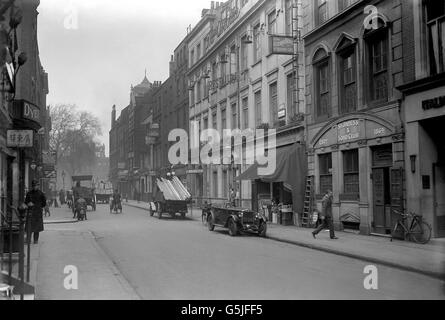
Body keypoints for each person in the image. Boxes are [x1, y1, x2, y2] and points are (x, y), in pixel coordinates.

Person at [25, 180, 47, 244]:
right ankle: (28, 240)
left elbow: (44, 203)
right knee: (29, 227)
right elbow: (26, 202)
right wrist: (28, 204)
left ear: (38, 186)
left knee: (37, 228)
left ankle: (35, 240)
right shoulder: (29, 193)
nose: (35, 187)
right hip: (31, 212)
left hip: (37, 212)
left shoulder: (41, 194)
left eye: (36, 185)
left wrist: (39, 206)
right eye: (34, 186)